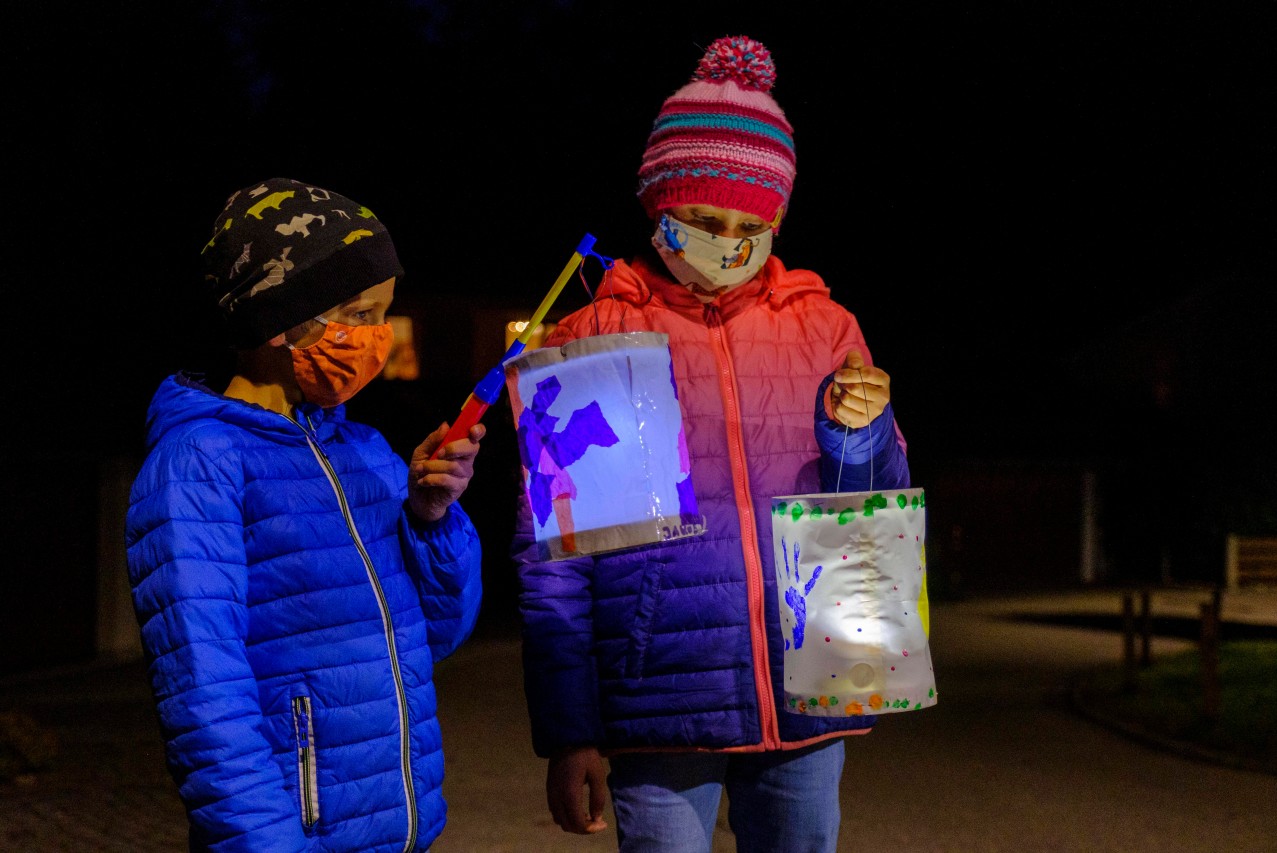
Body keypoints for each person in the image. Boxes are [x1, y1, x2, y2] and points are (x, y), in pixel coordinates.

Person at [511, 35, 911, 851]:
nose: (727, 242)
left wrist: (857, 437)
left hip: (808, 691)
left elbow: (872, 506)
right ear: (659, 205)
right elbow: (559, 562)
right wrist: (569, 732)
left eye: (749, 224)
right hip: (656, 702)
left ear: (777, 219)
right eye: (701, 219)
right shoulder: (603, 334)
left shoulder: (824, 325)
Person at [124, 177, 485, 852]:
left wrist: (433, 519)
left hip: (400, 831)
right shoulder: (201, 461)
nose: (376, 337)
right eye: (358, 311)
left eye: (385, 313)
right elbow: (203, 691)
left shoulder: (367, 452)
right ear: (279, 315)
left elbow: (436, 633)